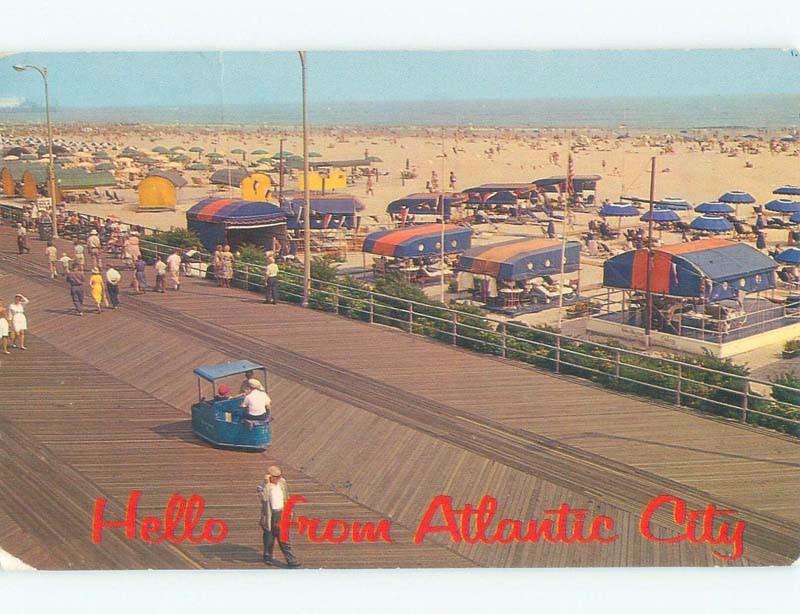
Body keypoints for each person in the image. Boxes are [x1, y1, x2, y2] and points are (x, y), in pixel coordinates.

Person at [257, 466, 300, 568]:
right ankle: (267, 556)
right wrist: (267, 484)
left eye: (279, 476)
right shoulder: (262, 486)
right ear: (269, 476)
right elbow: (264, 498)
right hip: (270, 514)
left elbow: (286, 496)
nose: (278, 478)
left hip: (282, 513)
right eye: (275, 476)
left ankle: (291, 561)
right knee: (269, 536)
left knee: (283, 536)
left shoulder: (283, 482)